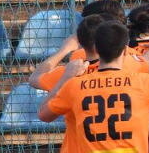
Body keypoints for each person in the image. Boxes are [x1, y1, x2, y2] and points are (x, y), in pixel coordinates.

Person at [39, 22, 149, 152]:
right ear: (125, 51)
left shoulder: (74, 85)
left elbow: (44, 114)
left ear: (96, 49)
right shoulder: (143, 82)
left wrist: (65, 78)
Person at [29, 15, 105, 153]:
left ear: (80, 40)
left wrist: (64, 49)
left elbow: (34, 78)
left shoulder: (69, 72)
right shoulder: (128, 69)